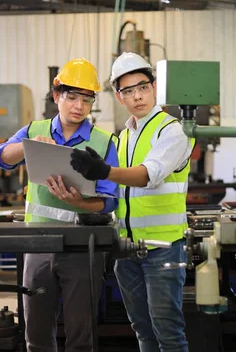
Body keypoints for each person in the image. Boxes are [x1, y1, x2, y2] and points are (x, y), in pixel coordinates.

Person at [0, 58, 119, 352]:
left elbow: (109, 200)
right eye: (72, 97)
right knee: (36, 334)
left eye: (86, 100)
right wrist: (27, 146)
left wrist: (80, 203)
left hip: (81, 247)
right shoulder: (34, 130)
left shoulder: (104, 142)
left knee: (80, 336)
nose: (78, 106)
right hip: (37, 245)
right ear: (57, 96)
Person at [70, 52, 193, 352]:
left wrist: (104, 170)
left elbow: (147, 175)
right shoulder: (124, 136)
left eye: (143, 87)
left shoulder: (172, 130)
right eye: (128, 91)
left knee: (168, 332)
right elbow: (119, 192)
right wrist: (81, 198)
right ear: (118, 96)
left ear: (154, 86)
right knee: (142, 330)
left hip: (162, 250)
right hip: (126, 250)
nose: (138, 96)